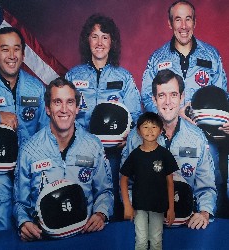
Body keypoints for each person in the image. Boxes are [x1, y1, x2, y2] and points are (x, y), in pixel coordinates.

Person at [140, 0, 228, 214]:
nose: (183, 25)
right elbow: (146, 96)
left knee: (210, 190)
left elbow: (223, 96)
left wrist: (225, 121)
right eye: (178, 19)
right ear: (170, 24)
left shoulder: (212, 56)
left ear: (195, 22)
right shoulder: (157, 58)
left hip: (208, 142)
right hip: (169, 137)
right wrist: (174, 113)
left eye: (188, 19)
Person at [13, 77, 113, 242]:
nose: (64, 109)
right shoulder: (29, 150)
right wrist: (23, 222)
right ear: (47, 108)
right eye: (57, 102)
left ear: (77, 108)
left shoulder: (93, 146)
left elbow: (105, 191)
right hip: (44, 239)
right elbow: (19, 203)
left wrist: (101, 213)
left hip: (84, 236)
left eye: (70, 102)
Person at [65, 14, 142, 219]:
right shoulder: (73, 77)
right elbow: (61, 114)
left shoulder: (123, 77)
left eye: (105, 37)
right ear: (87, 40)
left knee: (117, 205)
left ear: (112, 42)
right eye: (94, 36)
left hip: (115, 154)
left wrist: (127, 137)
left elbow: (136, 114)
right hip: (81, 152)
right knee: (81, 205)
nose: (99, 43)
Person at [122, 69, 216, 230]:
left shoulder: (197, 137)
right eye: (161, 95)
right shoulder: (136, 137)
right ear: (154, 99)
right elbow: (127, 184)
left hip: (187, 225)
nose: (167, 102)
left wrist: (204, 213)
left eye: (173, 95)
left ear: (182, 97)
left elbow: (206, 188)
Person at [0, 27, 49, 233]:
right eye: (4, 49)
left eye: (16, 49)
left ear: (23, 54)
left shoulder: (36, 88)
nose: (11, 56)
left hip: (30, 170)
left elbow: (47, 133)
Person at [120, 112, 177, 250]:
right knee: (141, 241)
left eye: (154, 127)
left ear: (160, 130)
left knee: (156, 241)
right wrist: (127, 205)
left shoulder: (164, 154)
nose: (150, 131)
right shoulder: (135, 155)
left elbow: (170, 183)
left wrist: (171, 208)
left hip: (158, 206)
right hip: (139, 207)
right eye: (145, 127)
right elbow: (123, 180)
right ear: (139, 131)